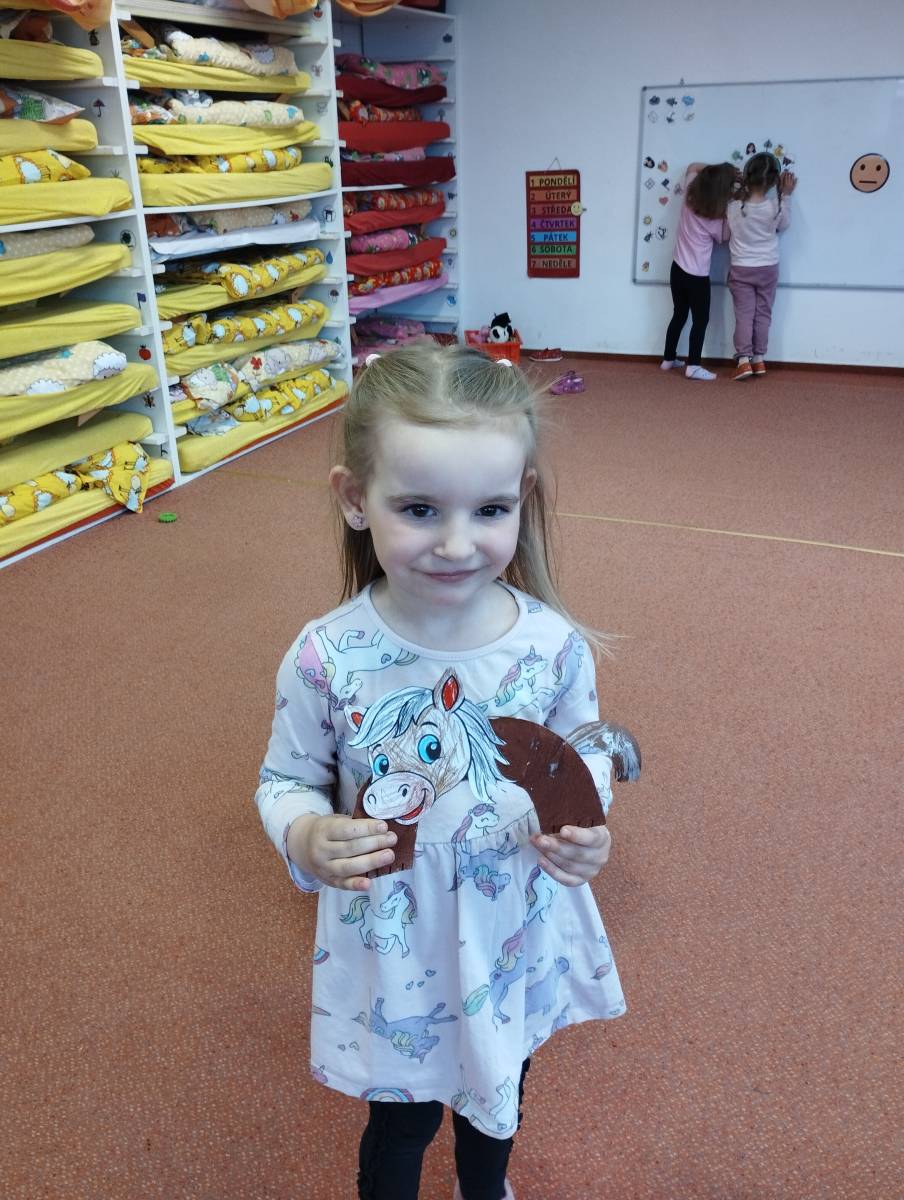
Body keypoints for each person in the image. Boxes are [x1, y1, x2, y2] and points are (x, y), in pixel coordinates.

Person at [255, 345, 626, 1200]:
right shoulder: (327, 656)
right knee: (404, 1119)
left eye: (490, 509)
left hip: (512, 920)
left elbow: (584, 751)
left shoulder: (550, 644)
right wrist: (305, 835)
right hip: (398, 937)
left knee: (501, 1091)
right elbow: (283, 780)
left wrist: (587, 828)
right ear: (356, 499)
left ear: (522, 497)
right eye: (420, 509)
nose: (458, 544)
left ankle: (484, 1190)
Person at [660, 161, 737, 381]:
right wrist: (731, 205)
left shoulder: (689, 196)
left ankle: (668, 359)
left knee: (679, 314)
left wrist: (719, 171)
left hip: (677, 269)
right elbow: (725, 238)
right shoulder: (715, 219)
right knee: (700, 320)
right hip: (697, 277)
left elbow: (693, 166)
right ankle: (693, 366)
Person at [726, 152, 798, 380]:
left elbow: (728, 229)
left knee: (744, 315)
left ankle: (744, 361)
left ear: (747, 175)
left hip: (741, 268)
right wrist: (786, 195)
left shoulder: (734, 207)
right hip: (768, 267)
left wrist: (737, 188)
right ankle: (759, 359)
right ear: (775, 181)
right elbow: (784, 225)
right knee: (763, 313)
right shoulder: (775, 206)